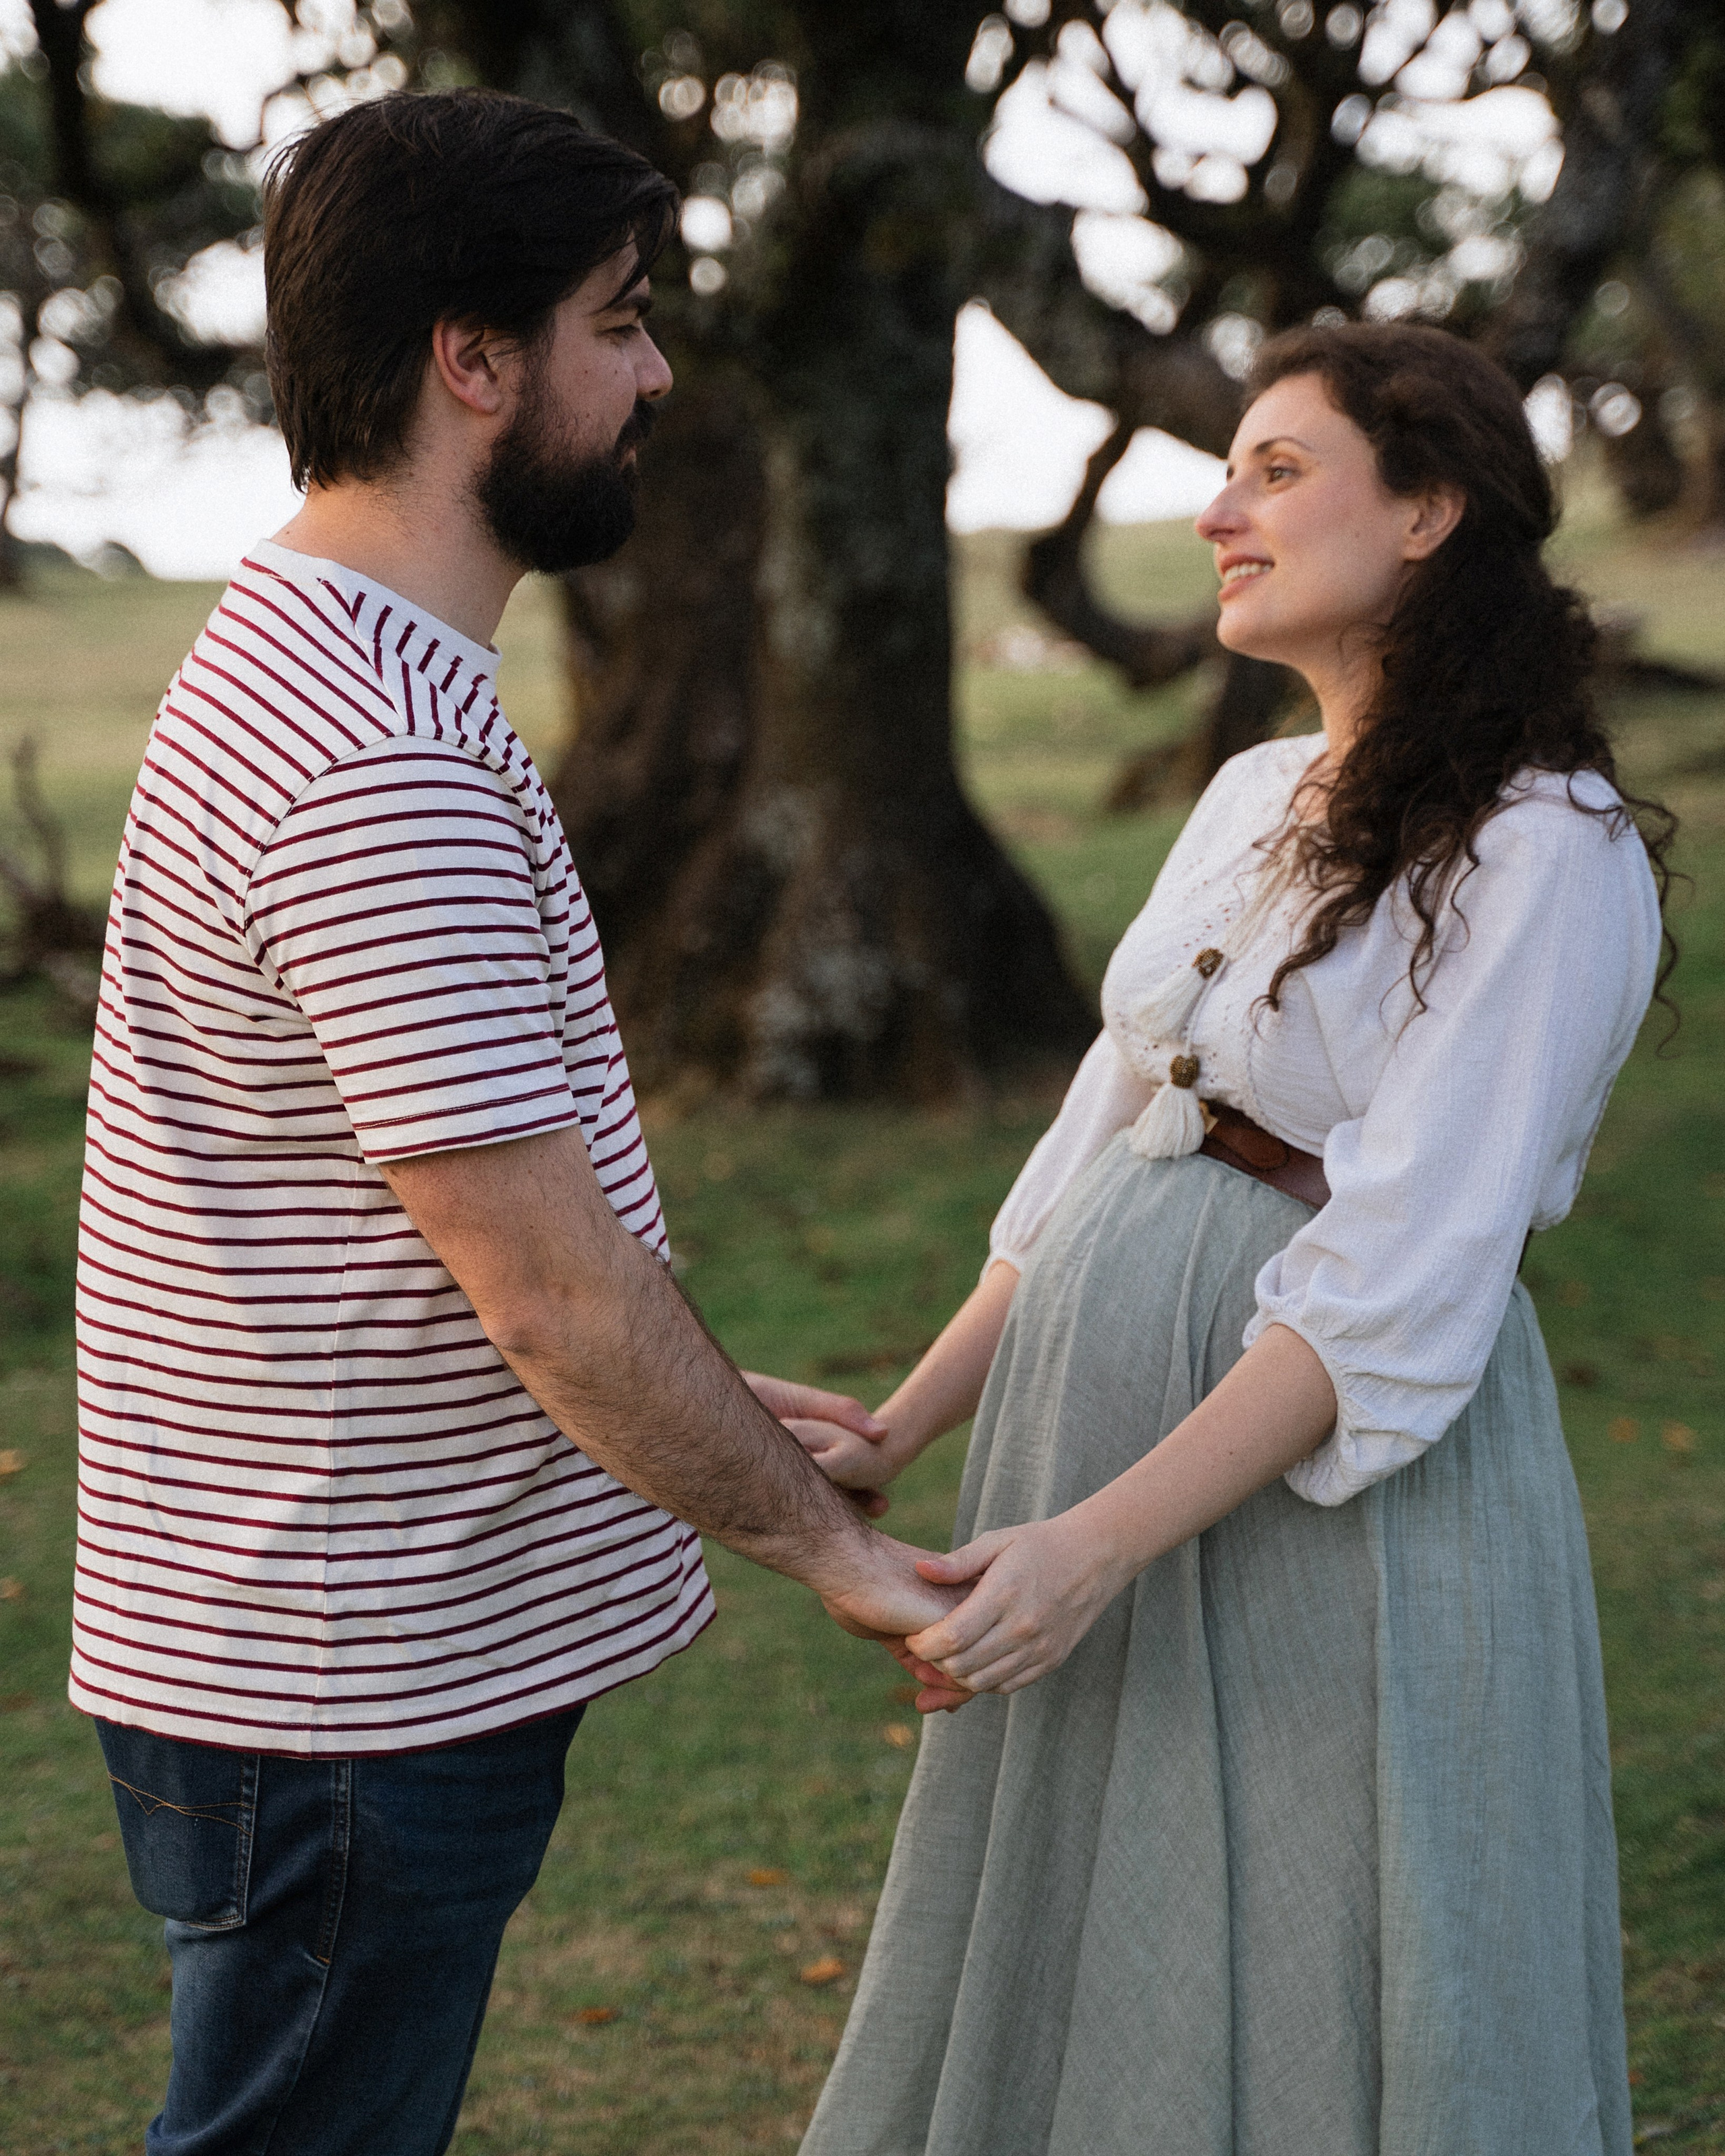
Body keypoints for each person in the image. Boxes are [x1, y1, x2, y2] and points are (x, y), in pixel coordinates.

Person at [71, 89, 959, 2156]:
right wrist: (831, 1551)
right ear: (473, 360)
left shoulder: (330, 653)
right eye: (619, 321)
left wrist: (722, 1402)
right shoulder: (378, 755)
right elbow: (550, 1295)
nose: (656, 374)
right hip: (343, 1694)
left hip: (301, 1651)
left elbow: (463, 1228)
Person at [789, 322, 1674, 2156]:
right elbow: (1094, 1142)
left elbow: (1404, 1274)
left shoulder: (1548, 849)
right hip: (1093, 1435)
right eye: (1229, 469)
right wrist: (905, 1425)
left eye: (1280, 469)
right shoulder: (1255, 796)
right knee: (1089, 1923)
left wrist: (1099, 1548)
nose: (1219, 513)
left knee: (1323, 1926)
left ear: (1430, 508)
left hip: (1312, 1485)